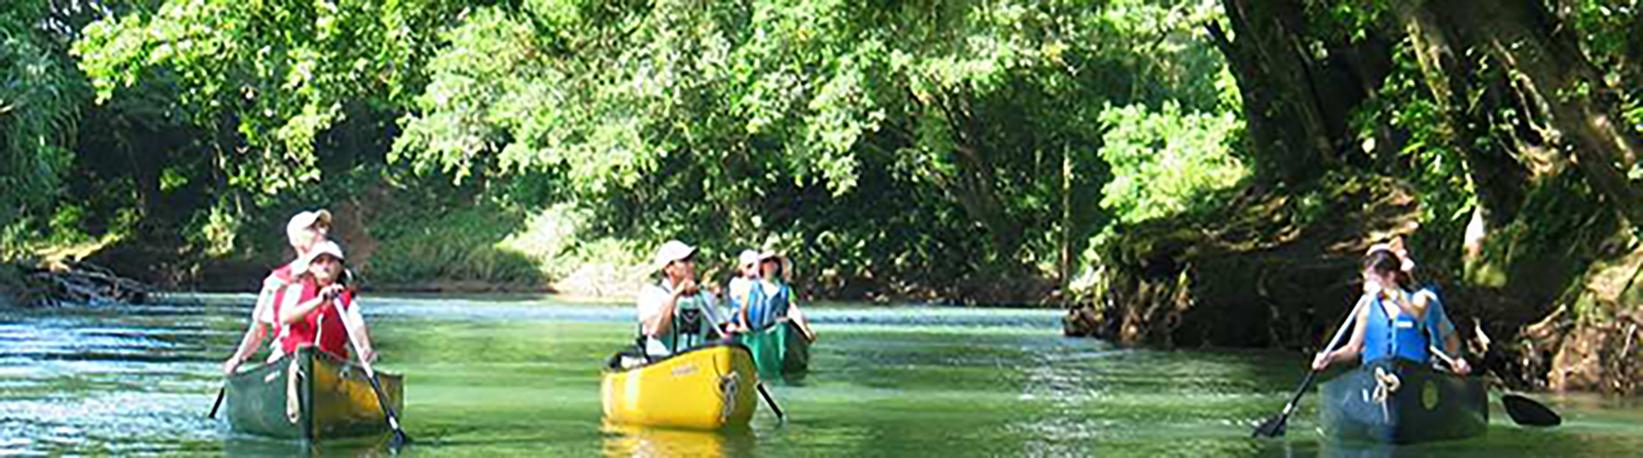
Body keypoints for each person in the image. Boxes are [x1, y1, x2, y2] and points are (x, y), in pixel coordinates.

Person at [1312, 245, 1468, 374]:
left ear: (1390, 276)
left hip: (1415, 376)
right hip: (1375, 375)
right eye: (1366, 280)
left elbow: (1416, 314)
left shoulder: (1420, 299)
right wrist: (1330, 357)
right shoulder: (1366, 309)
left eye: (1372, 280)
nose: (1367, 286)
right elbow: (1352, 349)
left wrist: (1393, 296)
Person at [221, 209, 331, 375]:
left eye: (322, 227)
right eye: (312, 228)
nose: (321, 232)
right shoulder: (277, 281)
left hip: (329, 362)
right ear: (295, 240)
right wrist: (237, 359)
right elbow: (259, 330)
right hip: (287, 360)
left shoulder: (339, 275)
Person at [271, 240, 375, 363]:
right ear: (311, 268)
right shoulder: (296, 289)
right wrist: (319, 301)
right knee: (295, 367)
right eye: (319, 262)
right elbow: (285, 318)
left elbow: (357, 326)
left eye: (331, 262)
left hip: (330, 363)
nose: (325, 267)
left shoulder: (346, 299)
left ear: (340, 267)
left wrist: (365, 347)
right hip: (292, 358)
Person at [637, 240, 729, 357]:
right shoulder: (652, 293)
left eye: (692, 260)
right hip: (661, 362)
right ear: (669, 268)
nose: (692, 265)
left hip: (697, 363)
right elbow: (656, 330)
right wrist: (676, 295)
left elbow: (719, 332)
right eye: (685, 261)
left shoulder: (704, 296)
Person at [742, 251, 816, 342]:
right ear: (761, 266)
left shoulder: (786, 290)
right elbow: (742, 311)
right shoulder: (750, 287)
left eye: (774, 260)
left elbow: (794, 311)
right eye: (766, 261)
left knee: (783, 324)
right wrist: (744, 328)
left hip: (776, 335)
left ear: (778, 265)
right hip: (755, 333)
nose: (771, 264)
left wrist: (805, 330)